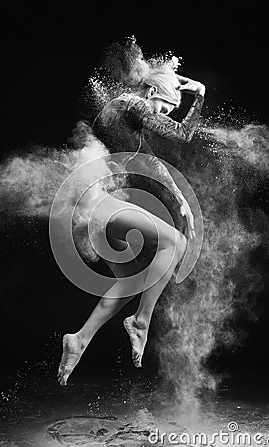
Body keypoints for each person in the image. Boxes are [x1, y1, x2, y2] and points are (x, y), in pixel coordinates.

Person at [57, 66, 205, 386]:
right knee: (175, 244)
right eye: (163, 109)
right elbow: (184, 133)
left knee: (135, 278)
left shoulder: (127, 118)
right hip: (91, 200)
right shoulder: (132, 103)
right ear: (151, 94)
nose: (161, 117)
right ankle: (140, 322)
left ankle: (79, 339)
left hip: (89, 206)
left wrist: (181, 201)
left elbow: (153, 163)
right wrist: (199, 92)